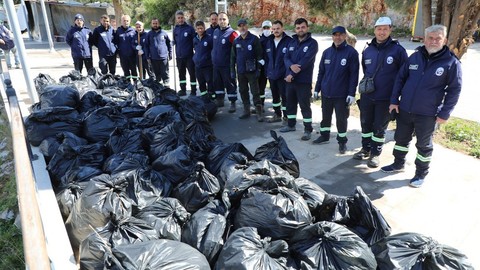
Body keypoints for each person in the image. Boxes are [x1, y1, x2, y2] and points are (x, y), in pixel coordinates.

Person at [381, 24, 462, 188]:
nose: (433, 41)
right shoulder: (415, 57)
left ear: (444, 40)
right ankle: (398, 163)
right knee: (401, 139)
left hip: (428, 113)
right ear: (424, 39)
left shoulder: (451, 63)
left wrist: (445, 113)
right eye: (430, 38)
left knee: (424, 146)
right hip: (404, 109)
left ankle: (420, 173)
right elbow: (400, 79)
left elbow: (455, 90)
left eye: (437, 38)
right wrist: (394, 101)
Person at [353, 17, 408, 167]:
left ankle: (375, 154)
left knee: (379, 127)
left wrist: (395, 99)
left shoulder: (398, 50)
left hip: (386, 98)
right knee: (365, 124)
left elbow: (404, 75)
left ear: (390, 30)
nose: (381, 32)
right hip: (367, 96)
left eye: (385, 29)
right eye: (379, 28)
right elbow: (366, 70)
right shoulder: (367, 49)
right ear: (374, 30)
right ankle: (365, 148)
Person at [312, 26, 359, 154]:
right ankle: (324, 135)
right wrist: (317, 89)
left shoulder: (351, 53)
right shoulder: (327, 52)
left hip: (342, 95)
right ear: (332, 36)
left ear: (345, 36)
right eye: (335, 35)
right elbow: (321, 72)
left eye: (340, 35)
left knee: (341, 120)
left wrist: (351, 94)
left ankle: (342, 142)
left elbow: (354, 75)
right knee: (325, 117)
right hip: (327, 93)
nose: (337, 37)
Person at [280, 18, 318, 141]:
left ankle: (307, 130)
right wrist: (291, 67)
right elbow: (286, 58)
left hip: (303, 81)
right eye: (298, 28)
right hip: (290, 80)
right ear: (295, 29)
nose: (300, 30)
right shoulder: (291, 42)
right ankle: (291, 125)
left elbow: (305, 62)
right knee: (290, 104)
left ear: (307, 28)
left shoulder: (312, 43)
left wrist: (292, 74)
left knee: (304, 106)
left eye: (302, 27)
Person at [230, 18, 264, 121]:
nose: (242, 27)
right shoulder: (236, 41)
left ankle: (259, 112)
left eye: (244, 25)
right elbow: (232, 57)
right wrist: (232, 71)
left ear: (247, 26)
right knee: (243, 91)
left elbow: (259, 55)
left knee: (255, 92)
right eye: (240, 26)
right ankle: (246, 110)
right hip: (241, 71)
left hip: (252, 71)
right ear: (238, 28)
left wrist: (258, 69)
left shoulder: (254, 39)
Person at [264, 20, 292, 124]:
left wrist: (289, 73)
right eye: (274, 29)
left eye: (278, 28)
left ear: (282, 28)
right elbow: (266, 58)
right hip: (272, 75)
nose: (276, 31)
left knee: (285, 97)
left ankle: (286, 116)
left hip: (283, 75)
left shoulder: (289, 41)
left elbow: (291, 58)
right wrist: (267, 71)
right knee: (275, 96)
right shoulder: (269, 41)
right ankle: (277, 114)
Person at [212, 12, 238, 111]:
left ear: (228, 20)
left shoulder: (232, 33)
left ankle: (233, 102)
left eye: (224, 19)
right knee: (217, 82)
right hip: (216, 64)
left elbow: (237, 49)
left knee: (230, 83)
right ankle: (220, 100)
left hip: (227, 65)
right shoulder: (216, 32)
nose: (222, 21)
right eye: (220, 19)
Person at [173, 10, 197, 96]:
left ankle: (193, 90)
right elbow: (175, 41)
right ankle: (183, 89)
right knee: (181, 74)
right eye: (178, 18)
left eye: (182, 18)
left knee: (192, 74)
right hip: (179, 57)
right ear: (176, 19)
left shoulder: (190, 29)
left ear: (184, 18)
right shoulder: (175, 29)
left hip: (189, 56)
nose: (180, 20)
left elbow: (195, 42)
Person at [144, 18, 172, 86]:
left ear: (159, 24)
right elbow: (146, 46)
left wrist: (170, 53)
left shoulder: (164, 33)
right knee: (157, 74)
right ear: (151, 24)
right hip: (154, 58)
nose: (155, 25)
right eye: (153, 23)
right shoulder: (149, 34)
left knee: (165, 73)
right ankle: (159, 88)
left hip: (163, 58)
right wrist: (147, 57)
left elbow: (169, 44)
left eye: (156, 23)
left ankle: (166, 87)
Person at [193, 20, 214, 98]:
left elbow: (213, 50)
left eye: (201, 28)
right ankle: (204, 97)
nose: (200, 30)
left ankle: (212, 97)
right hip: (198, 66)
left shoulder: (209, 38)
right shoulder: (195, 39)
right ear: (196, 29)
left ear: (204, 28)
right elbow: (195, 49)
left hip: (207, 65)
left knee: (209, 81)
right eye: (198, 28)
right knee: (201, 82)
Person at [114, 14, 137, 80]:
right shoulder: (118, 31)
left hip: (132, 54)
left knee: (134, 70)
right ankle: (128, 83)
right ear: (121, 21)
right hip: (123, 55)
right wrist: (117, 52)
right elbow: (115, 42)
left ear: (129, 21)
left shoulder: (133, 31)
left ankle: (136, 83)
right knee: (126, 70)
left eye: (127, 21)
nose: (126, 22)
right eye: (124, 21)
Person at [257, 20, 272, 110]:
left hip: (272, 67)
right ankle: (261, 105)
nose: (266, 30)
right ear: (262, 29)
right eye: (265, 28)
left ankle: (278, 110)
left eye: (268, 28)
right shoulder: (259, 40)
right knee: (261, 87)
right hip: (262, 68)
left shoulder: (274, 39)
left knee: (275, 88)